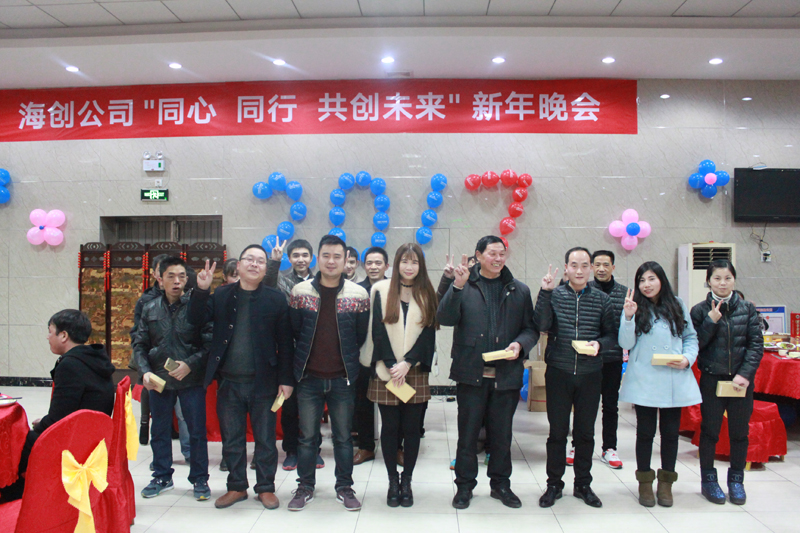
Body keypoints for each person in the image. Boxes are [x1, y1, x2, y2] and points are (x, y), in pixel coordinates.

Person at [188, 245, 295, 510]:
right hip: (229, 381)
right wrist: (201, 290)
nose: (254, 264)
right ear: (239, 265)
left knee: (266, 440)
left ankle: (265, 488)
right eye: (250, 259)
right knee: (232, 439)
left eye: (260, 261)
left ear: (266, 268)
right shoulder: (222, 294)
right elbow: (195, 319)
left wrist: (286, 379)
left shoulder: (275, 298)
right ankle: (236, 486)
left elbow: (286, 343)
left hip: (264, 382)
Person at [438, 236, 538, 510]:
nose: (498, 258)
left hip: (506, 376)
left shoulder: (519, 290)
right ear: (479, 256)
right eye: (492, 253)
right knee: (468, 435)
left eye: (502, 253)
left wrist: (520, 344)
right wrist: (457, 286)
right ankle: (464, 487)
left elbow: (530, 329)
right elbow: (444, 318)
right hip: (471, 373)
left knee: (502, 436)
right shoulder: (464, 285)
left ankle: (500, 485)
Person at [287, 235, 370, 512]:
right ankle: (305, 486)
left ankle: (344, 487)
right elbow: (295, 332)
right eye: (326, 255)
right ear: (317, 258)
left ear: (346, 260)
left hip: (342, 378)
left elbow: (359, 336)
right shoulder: (300, 292)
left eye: (337, 256)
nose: (331, 261)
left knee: (343, 437)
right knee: (307, 437)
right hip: (308, 378)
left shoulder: (358, 294)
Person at [2, 310, 115, 502]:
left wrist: (40, 424)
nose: (47, 337)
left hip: (73, 445)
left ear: (63, 335)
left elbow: (57, 420)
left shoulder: (70, 365)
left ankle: (14, 493)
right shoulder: (94, 358)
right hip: (92, 438)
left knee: (13, 440)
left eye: (50, 331)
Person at [535, 247, 615, 509]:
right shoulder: (554, 295)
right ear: (566, 268)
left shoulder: (602, 299)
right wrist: (545, 293)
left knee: (585, 433)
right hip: (559, 371)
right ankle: (553, 485)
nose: (579, 271)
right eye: (574, 265)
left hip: (590, 374)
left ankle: (583, 484)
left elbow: (611, 336)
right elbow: (541, 325)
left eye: (584, 265)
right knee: (557, 433)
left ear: (590, 268)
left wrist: (599, 345)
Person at [618, 261, 700, 508]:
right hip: (644, 379)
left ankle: (666, 483)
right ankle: (644, 482)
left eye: (651, 278)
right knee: (645, 433)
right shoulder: (633, 306)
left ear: (661, 280)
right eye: (642, 280)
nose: (646, 285)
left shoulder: (677, 304)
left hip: (673, 378)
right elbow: (625, 343)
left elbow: (691, 338)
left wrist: (687, 358)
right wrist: (628, 317)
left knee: (671, 433)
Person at [134, 257, 212, 501]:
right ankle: (162, 476)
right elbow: (139, 344)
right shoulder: (149, 308)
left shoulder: (197, 307)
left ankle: (199, 479)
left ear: (187, 280)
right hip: (159, 378)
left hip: (191, 378)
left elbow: (210, 344)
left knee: (196, 431)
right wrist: (145, 371)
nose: (177, 281)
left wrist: (190, 364)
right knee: (159, 429)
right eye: (171, 276)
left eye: (181, 276)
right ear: (160, 279)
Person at [365, 243, 437, 507]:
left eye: (414, 262)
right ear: (395, 265)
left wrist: (407, 363)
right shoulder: (381, 290)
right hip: (386, 370)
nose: (409, 266)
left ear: (420, 266)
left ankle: (407, 480)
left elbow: (428, 334)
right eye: (404, 261)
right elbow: (377, 329)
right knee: (390, 428)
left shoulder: (427, 292)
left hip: (413, 370)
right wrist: (391, 364)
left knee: (412, 429)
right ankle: (392, 481)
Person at [690, 260, 763, 506]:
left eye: (727, 278)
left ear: (734, 280)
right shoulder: (699, 310)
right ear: (708, 281)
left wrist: (745, 374)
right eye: (717, 278)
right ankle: (709, 480)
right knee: (710, 431)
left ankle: (736, 481)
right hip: (712, 379)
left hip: (741, 382)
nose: (722, 283)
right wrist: (710, 321)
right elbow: (695, 345)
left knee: (739, 433)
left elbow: (756, 344)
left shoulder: (747, 309)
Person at [263, 238, 324, 471]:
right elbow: (268, 287)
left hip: (316, 351)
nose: (300, 259)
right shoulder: (283, 280)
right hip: (289, 350)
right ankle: (291, 450)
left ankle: (313, 449)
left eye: (304, 255)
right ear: (290, 258)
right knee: (289, 405)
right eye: (296, 255)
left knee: (314, 405)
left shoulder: (321, 281)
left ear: (311, 258)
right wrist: (274, 262)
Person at [570, 250, 627, 470]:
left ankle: (609, 448)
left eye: (606, 264)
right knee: (583, 405)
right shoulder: (583, 289)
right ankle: (576, 445)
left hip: (612, 358)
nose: (601, 269)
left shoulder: (624, 293)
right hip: (587, 359)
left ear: (613, 267)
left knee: (610, 405)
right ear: (592, 267)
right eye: (597, 265)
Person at [353, 246, 390, 466]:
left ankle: (394, 447)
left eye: (378, 263)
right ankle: (366, 447)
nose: (373, 267)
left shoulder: (395, 289)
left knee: (392, 404)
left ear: (387, 266)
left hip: (390, 355)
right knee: (363, 404)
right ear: (363, 265)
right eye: (369, 263)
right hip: (363, 354)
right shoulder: (356, 291)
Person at [130, 253, 169, 446]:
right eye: (161, 270)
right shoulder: (145, 300)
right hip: (150, 353)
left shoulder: (182, 297)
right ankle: (145, 422)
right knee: (149, 388)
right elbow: (136, 330)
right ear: (154, 273)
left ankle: (173, 429)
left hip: (173, 356)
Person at [218, 258, 238, 473]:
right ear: (225, 277)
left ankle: (256, 456)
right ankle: (228, 455)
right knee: (228, 418)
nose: (238, 279)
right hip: (226, 368)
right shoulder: (219, 297)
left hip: (255, 368)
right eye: (233, 275)